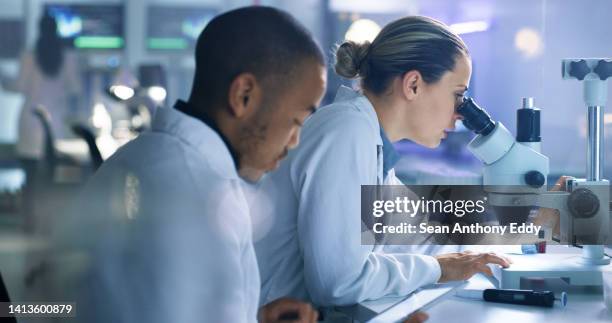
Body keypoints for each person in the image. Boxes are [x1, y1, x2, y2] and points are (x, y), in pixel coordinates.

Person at [50, 7, 326, 323]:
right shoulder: (199, 199)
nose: (294, 142)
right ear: (244, 95)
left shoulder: (141, 155)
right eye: (297, 121)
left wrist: (254, 317)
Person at [247, 16, 512, 308]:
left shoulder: (370, 142)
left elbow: (428, 233)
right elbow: (340, 283)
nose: (461, 114)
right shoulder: (346, 131)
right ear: (413, 85)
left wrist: (544, 214)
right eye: (458, 95)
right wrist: (439, 269)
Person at [0, 13, 81, 233]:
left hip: (30, 124)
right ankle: (47, 225)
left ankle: (30, 224)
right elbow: (75, 89)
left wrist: (3, 78)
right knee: (49, 180)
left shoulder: (29, 55)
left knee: (30, 180)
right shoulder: (67, 57)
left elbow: (17, 86)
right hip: (53, 126)